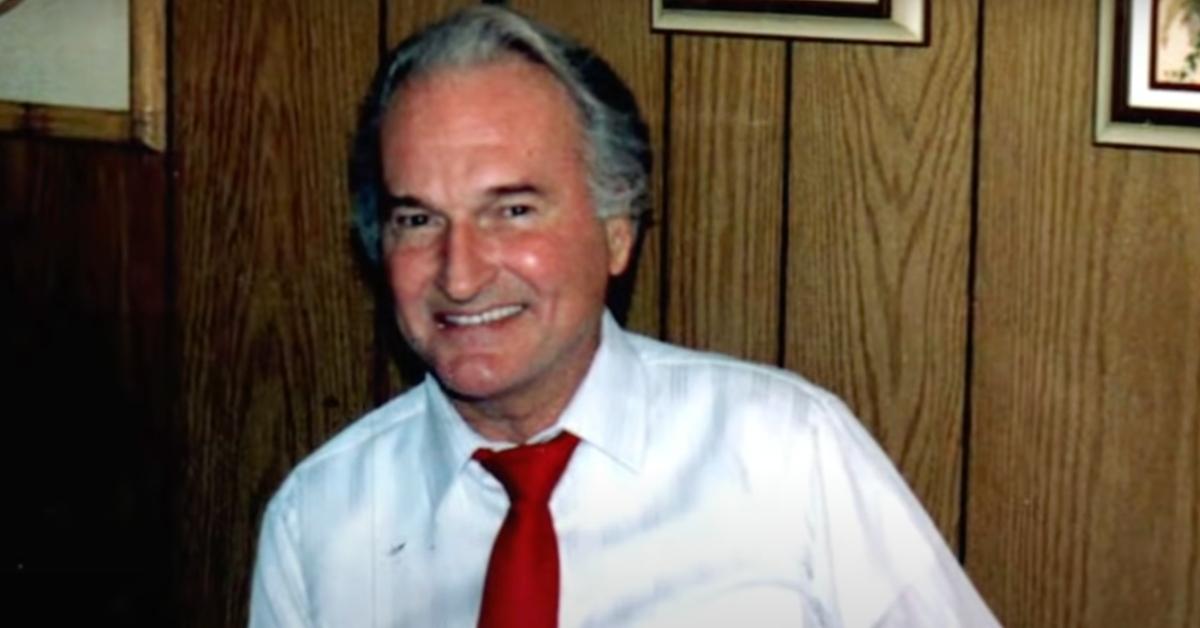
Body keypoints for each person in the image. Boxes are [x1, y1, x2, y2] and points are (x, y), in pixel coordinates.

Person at [249, 6, 1000, 627]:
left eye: (512, 211)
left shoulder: (787, 456)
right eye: (417, 220)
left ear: (617, 231)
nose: (461, 272)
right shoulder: (322, 521)